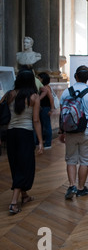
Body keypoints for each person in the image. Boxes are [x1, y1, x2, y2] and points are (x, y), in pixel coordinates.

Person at [1, 70, 44, 214]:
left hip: (11, 133)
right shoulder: (34, 97)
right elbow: (36, 120)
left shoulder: (9, 94)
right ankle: (13, 202)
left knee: (15, 164)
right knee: (25, 166)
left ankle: (24, 196)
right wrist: (40, 142)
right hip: (25, 134)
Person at [59, 66, 88, 200]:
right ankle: (81, 188)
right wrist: (85, 125)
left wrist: (62, 131)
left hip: (70, 131)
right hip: (86, 132)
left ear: (76, 76)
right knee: (85, 160)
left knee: (71, 159)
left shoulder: (66, 92)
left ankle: (72, 185)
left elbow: (62, 114)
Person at [37, 72, 55, 149]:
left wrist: (51, 109)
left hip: (45, 108)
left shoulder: (46, 88)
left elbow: (51, 99)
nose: (38, 79)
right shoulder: (43, 87)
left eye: (39, 78)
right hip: (42, 108)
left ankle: (48, 143)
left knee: (47, 125)